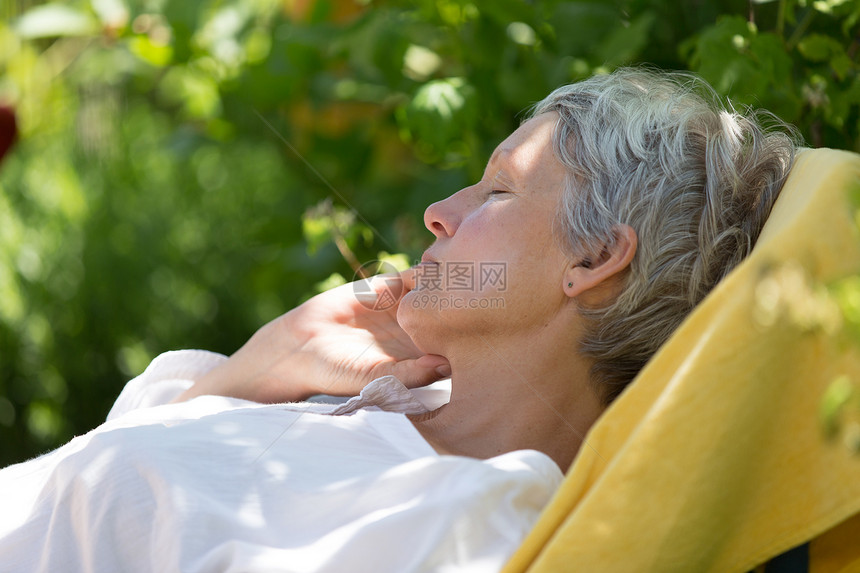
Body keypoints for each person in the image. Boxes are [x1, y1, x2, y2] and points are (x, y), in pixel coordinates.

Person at [0, 68, 797, 572]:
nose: (438, 212)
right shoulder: (364, 407)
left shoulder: (471, 518)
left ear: (592, 262)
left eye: (496, 191)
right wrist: (252, 367)